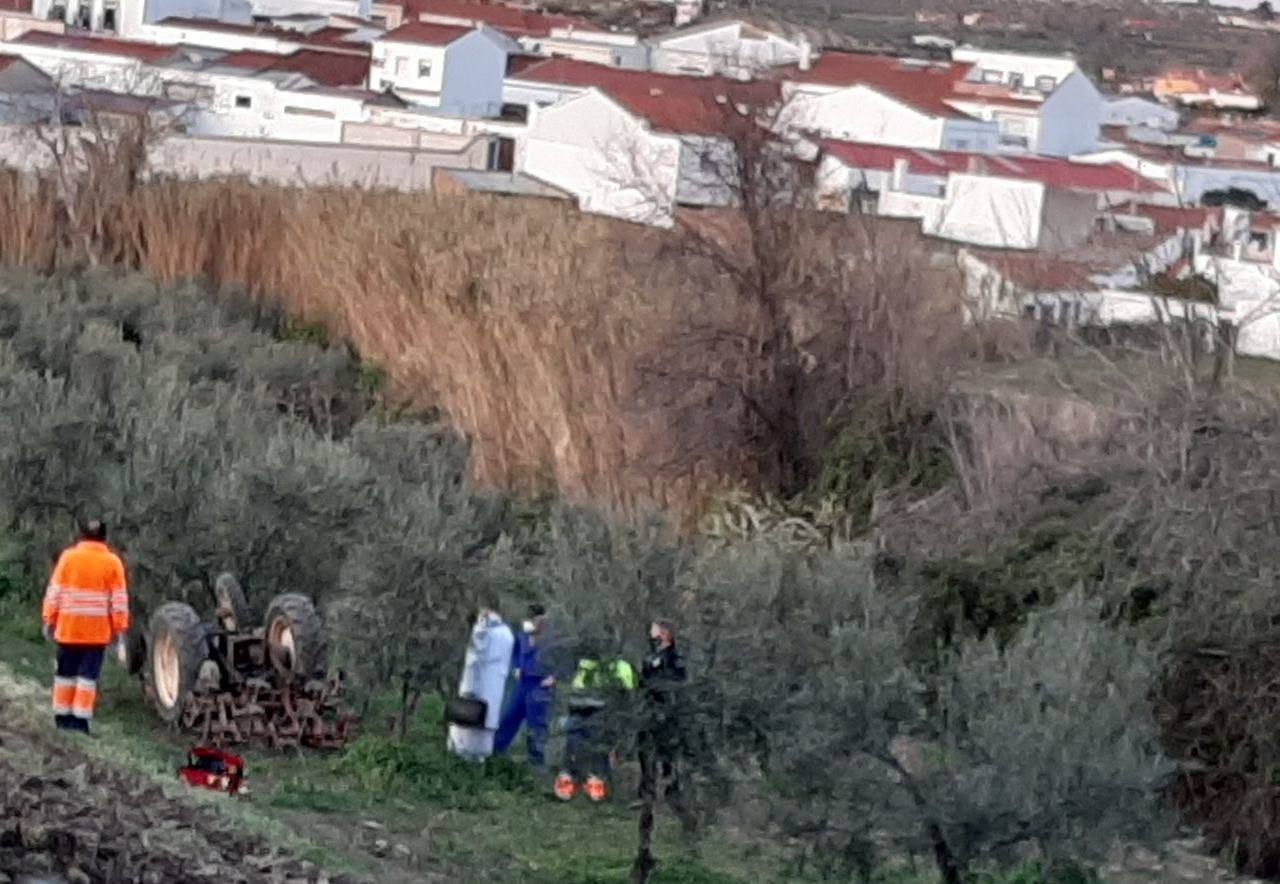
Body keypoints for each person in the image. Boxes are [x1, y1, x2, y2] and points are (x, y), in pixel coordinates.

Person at [41, 520, 129, 734]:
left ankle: (62, 717)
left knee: (65, 675)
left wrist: (48, 619)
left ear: (81, 536)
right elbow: (118, 601)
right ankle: (80, 721)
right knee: (87, 679)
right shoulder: (113, 563)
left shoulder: (68, 558)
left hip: (68, 629)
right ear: (104, 537)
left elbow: (55, 592)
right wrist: (120, 631)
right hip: (96, 633)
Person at [554, 653, 637, 802]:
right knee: (573, 745)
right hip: (578, 710)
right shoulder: (582, 662)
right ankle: (569, 782)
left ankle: (598, 786)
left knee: (599, 751)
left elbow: (628, 696)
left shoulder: (619, 666)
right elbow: (572, 689)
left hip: (603, 714)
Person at [494, 603, 566, 767]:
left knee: (537, 723)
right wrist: (517, 666)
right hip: (523, 683)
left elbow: (564, 659)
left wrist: (555, 677)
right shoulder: (523, 636)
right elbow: (514, 652)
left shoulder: (553, 638)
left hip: (541, 685)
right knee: (511, 716)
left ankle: (537, 761)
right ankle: (497, 751)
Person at [447, 600, 514, 761]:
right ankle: (477, 759)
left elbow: (477, 653)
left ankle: (462, 756)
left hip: (479, 686)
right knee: (482, 724)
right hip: (491, 688)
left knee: (470, 723)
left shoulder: (485, 631)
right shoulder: (506, 633)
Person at [637, 619, 687, 806]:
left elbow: (677, 682)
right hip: (648, 709)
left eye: (655, 630)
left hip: (667, 711)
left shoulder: (675, 657)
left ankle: (672, 791)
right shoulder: (650, 656)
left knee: (667, 753)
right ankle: (646, 793)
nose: (652, 634)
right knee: (644, 751)